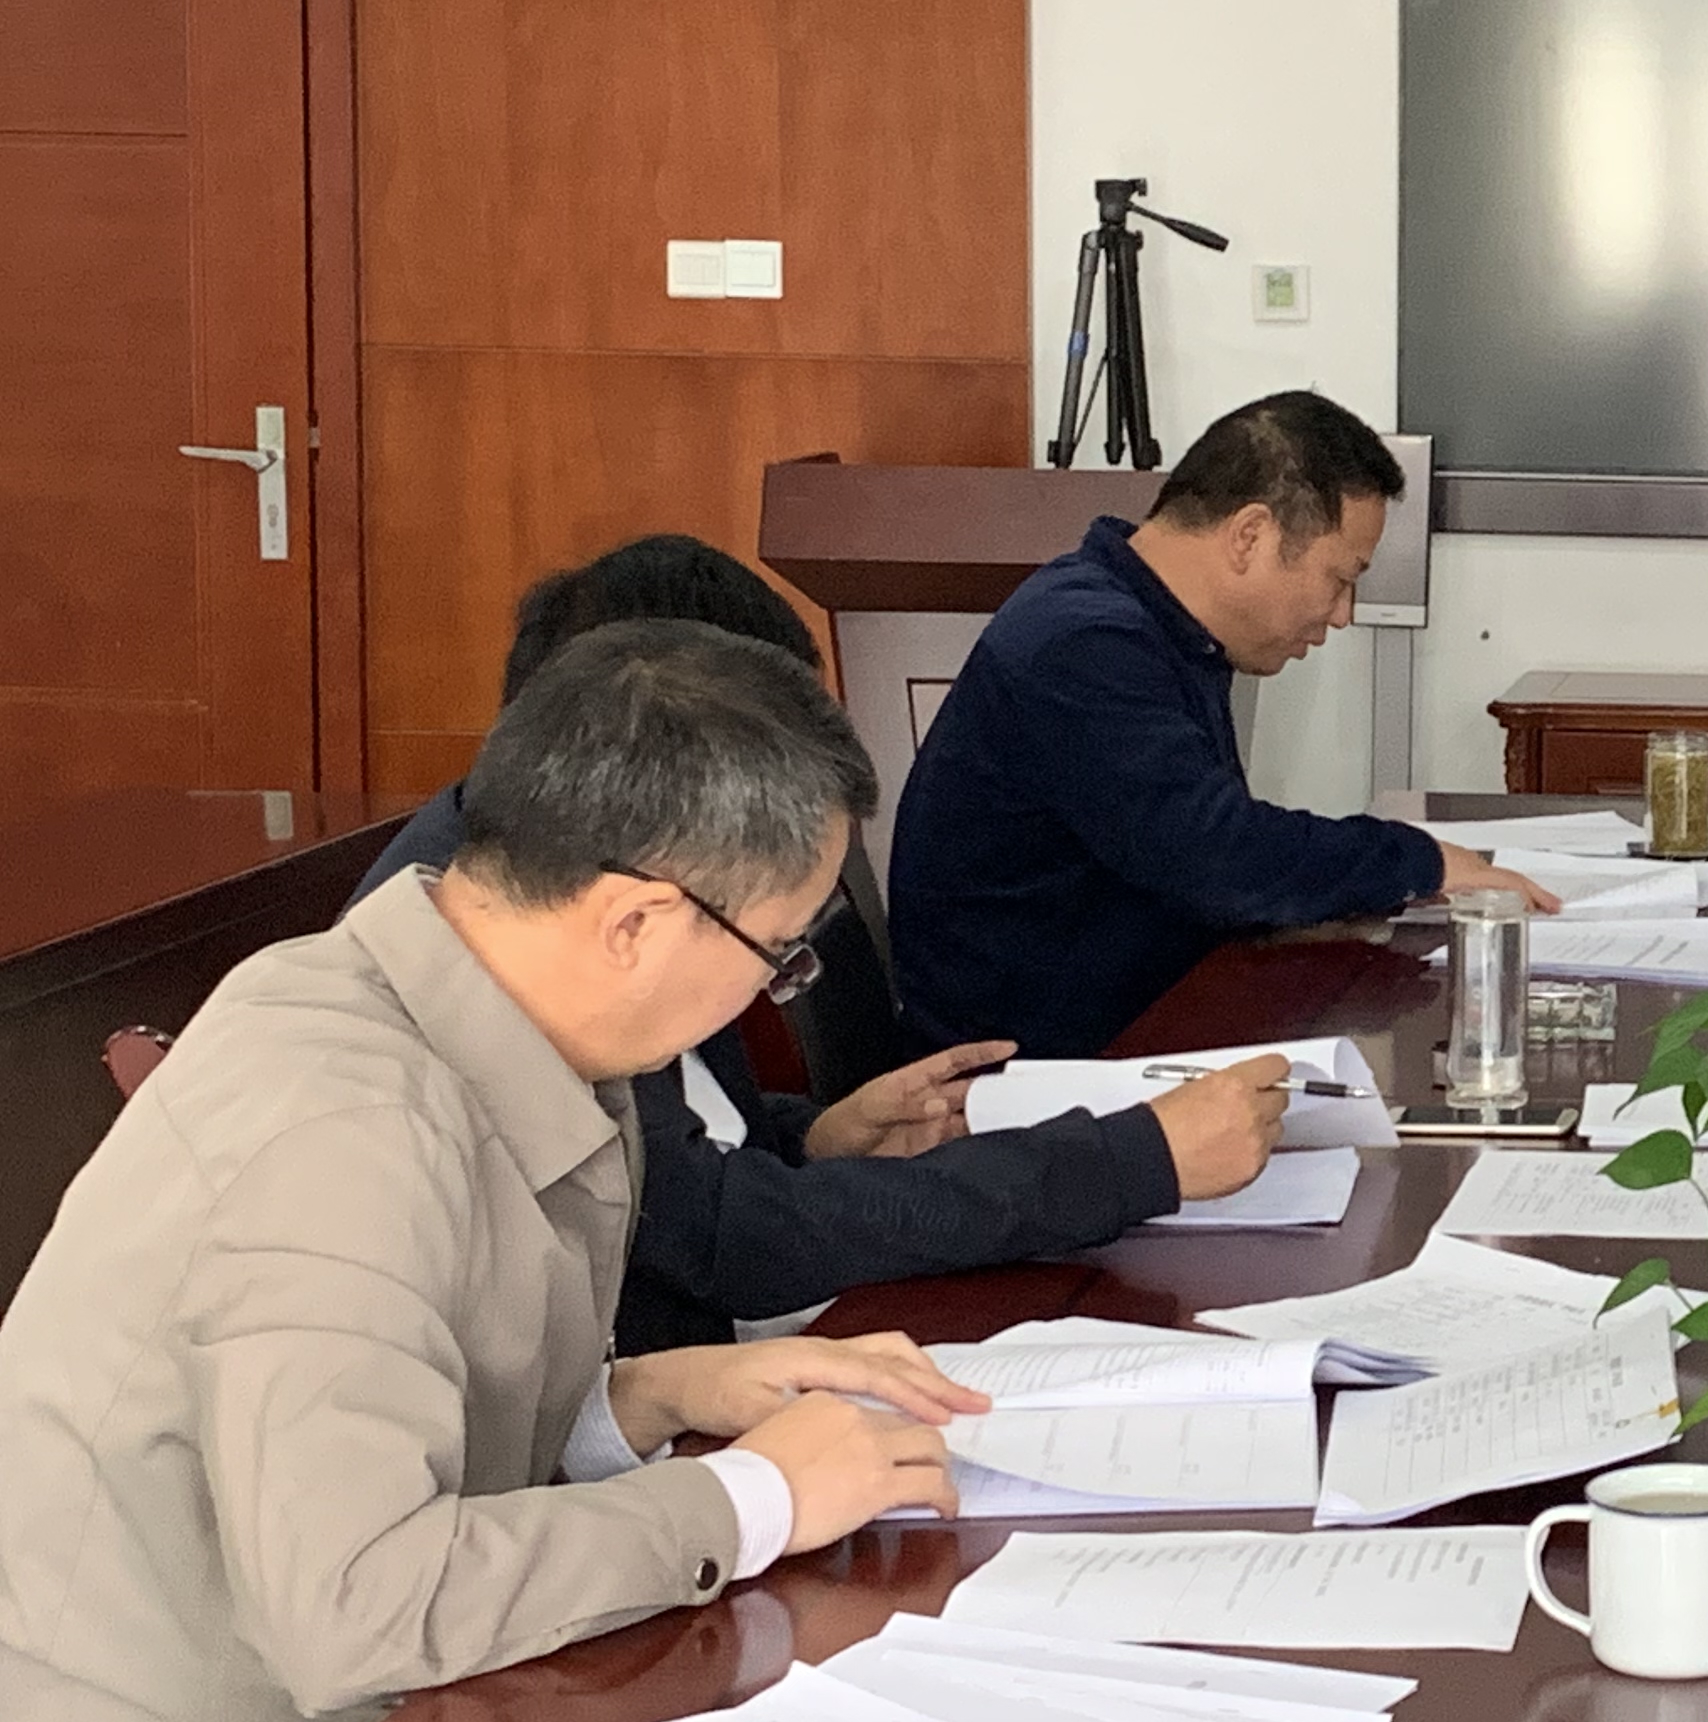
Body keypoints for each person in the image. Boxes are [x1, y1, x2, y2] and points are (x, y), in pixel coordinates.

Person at [0, 622, 996, 1722]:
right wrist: (751, 1499)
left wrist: (645, 1400)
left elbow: (402, 1405)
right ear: (636, 921)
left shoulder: (464, 1011)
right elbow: (355, 1602)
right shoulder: (344, 1119)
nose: (770, 992)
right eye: (779, 958)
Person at [360, 538, 1290, 1354]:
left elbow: (684, 1143)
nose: (774, 975)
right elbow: (717, 1236)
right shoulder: (520, 940)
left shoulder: (568, 874)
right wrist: (1124, 1164)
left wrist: (814, 1137)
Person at [892, 391, 1557, 1057]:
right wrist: (1421, 861)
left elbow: (1188, 863)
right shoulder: (1084, 641)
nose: (1343, 614)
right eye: (1340, 578)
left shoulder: (1163, 630)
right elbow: (1218, 856)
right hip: (1029, 1075)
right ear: (1250, 536)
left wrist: (1319, 910)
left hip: (1130, 1022)